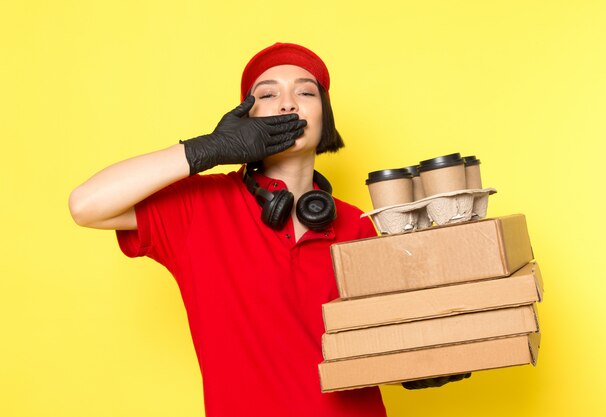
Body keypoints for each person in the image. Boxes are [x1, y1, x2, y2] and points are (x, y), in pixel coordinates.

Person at [69, 42, 467, 417]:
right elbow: (86, 206)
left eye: (307, 93)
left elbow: (376, 339)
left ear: (324, 116)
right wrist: (206, 149)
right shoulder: (198, 207)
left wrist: (418, 365)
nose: (289, 103)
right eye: (268, 94)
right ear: (246, 117)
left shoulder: (359, 225)